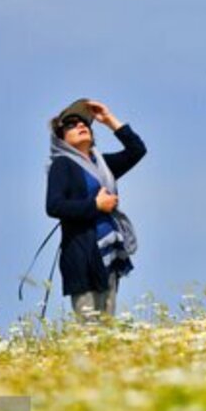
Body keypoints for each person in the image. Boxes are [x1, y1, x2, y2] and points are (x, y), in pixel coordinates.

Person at [45, 99, 147, 318]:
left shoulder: (102, 165)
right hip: (82, 255)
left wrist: (109, 120)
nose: (81, 125)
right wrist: (96, 205)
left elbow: (137, 150)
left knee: (107, 325)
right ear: (60, 138)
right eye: (71, 124)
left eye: (84, 123)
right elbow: (54, 206)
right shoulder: (62, 165)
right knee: (89, 326)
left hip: (109, 252)